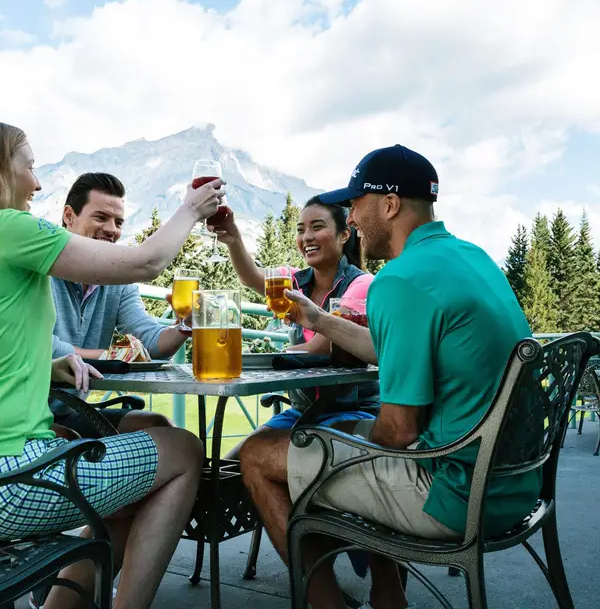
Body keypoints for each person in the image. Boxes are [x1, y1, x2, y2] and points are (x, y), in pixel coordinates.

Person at [0, 117, 224, 609]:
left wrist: (42, 369)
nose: (38, 181)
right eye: (29, 166)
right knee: (181, 450)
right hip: (3, 484)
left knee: (126, 475)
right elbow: (146, 263)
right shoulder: (4, 228)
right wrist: (190, 209)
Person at [239, 144, 541, 609]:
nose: (352, 216)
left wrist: (339, 442)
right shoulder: (470, 258)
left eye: (356, 204)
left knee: (261, 455)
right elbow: (389, 349)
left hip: (453, 492)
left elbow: (398, 431)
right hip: (514, 483)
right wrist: (318, 319)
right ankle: (386, 596)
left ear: (390, 204)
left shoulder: (400, 279)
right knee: (322, 437)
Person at [213, 196, 379, 461]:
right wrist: (233, 239)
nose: (307, 237)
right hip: (302, 411)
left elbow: (319, 348)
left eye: (317, 227)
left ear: (344, 234)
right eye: (301, 230)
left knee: (269, 460)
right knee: (228, 466)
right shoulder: (292, 281)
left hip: (350, 412)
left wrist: (267, 355)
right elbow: (250, 277)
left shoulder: (360, 285)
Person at [50, 172, 192, 435]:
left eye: (118, 222)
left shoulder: (116, 279)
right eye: (101, 217)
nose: (112, 230)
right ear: (69, 216)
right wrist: (118, 357)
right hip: (24, 417)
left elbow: (150, 341)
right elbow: (44, 347)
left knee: (166, 431)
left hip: (72, 412)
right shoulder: (40, 265)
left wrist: (185, 325)